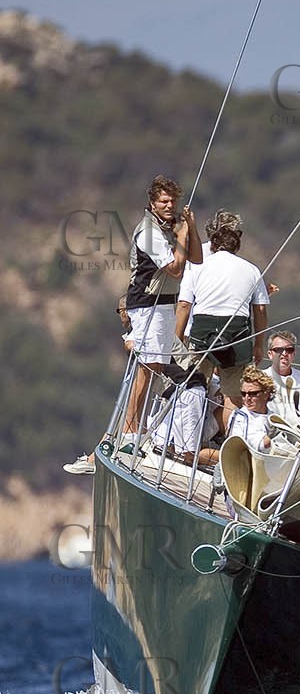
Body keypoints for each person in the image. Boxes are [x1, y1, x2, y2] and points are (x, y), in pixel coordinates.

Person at [121, 175, 201, 446]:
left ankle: (136, 427)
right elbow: (176, 270)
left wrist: (190, 227)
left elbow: (197, 259)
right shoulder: (149, 232)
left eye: (173, 201)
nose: (169, 206)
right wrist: (180, 234)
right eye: (164, 201)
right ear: (152, 203)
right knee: (147, 367)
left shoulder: (168, 228)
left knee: (155, 368)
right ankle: (131, 429)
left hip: (165, 304)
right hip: (146, 305)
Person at [175, 211, 270, 421]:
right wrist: (258, 344)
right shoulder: (252, 269)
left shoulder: (197, 266)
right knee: (233, 395)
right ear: (237, 243)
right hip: (237, 337)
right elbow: (260, 311)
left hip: (201, 336)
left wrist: (177, 339)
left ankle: (187, 442)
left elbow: (184, 304)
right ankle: (230, 440)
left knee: (193, 389)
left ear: (213, 243)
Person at [63, 296, 139, 474]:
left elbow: (131, 345)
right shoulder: (137, 330)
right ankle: (93, 459)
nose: (120, 316)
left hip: (146, 387)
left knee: (124, 423)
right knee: (120, 423)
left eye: (120, 311)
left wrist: (129, 347)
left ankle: (94, 459)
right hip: (135, 385)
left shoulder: (139, 330)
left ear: (126, 311)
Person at [197, 366, 275, 467]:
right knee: (202, 453)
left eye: (253, 394)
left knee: (203, 454)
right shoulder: (242, 415)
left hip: (255, 460)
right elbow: (253, 444)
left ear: (266, 394)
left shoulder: (271, 416)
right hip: (238, 454)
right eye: (243, 394)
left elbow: (262, 445)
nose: (247, 398)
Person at [264, 329, 300, 428]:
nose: (284, 354)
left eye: (289, 350)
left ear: (294, 355)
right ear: (270, 354)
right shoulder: (260, 379)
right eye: (278, 350)